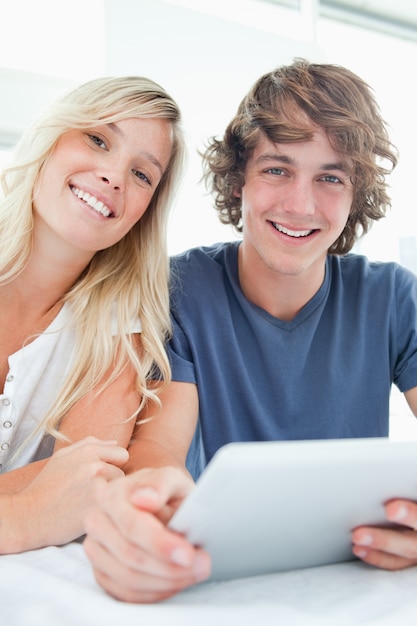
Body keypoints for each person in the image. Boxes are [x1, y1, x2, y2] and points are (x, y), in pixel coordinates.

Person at [83, 59, 417, 604]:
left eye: (330, 177)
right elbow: (158, 452)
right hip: (220, 580)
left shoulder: (393, 297)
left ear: (356, 193)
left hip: (356, 581)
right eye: (277, 169)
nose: (300, 205)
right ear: (240, 179)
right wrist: (148, 510)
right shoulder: (180, 289)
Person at [0, 75, 185, 553]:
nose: (114, 177)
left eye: (143, 174)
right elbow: (53, 507)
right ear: (53, 135)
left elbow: (84, 484)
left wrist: (54, 503)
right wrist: (26, 516)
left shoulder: (118, 330)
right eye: (98, 139)